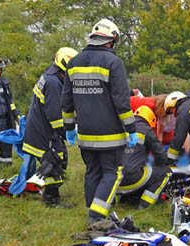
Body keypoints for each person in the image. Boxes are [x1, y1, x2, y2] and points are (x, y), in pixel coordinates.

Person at [62, 19, 136, 224]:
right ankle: (96, 216)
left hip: (85, 134)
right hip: (111, 134)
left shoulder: (73, 62)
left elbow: (66, 101)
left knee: (92, 171)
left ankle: (91, 212)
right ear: (111, 41)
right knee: (113, 172)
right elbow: (121, 102)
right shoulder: (113, 62)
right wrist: (131, 129)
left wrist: (69, 129)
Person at [23, 47, 78, 208]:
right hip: (44, 132)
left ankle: (51, 194)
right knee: (52, 161)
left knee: (58, 159)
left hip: (40, 128)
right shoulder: (54, 83)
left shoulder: (51, 76)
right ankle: (51, 200)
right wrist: (66, 131)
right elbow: (55, 115)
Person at [117, 105, 171, 209]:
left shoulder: (120, 128)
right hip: (132, 180)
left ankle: (117, 200)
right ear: (152, 121)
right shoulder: (147, 130)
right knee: (165, 172)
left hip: (113, 181)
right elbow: (161, 156)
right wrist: (160, 164)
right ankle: (144, 205)